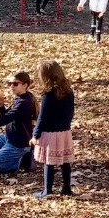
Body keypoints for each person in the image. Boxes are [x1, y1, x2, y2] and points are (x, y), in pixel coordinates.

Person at [0, 71, 38, 176]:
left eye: (15, 84)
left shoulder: (23, 103)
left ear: (25, 85)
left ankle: (18, 163)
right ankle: (1, 159)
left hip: (18, 146)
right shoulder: (20, 97)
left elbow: (0, 122)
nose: (11, 86)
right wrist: (1, 106)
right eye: (10, 83)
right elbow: (7, 118)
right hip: (9, 139)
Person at [31, 61, 75, 198]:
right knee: (65, 161)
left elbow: (42, 117)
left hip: (50, 132)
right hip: (65, 131)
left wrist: (35, 134)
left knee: (48, 162)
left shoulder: (48, 94)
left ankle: (47, 191)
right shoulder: (68, 91)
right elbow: (71, 112)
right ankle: (66, 188)